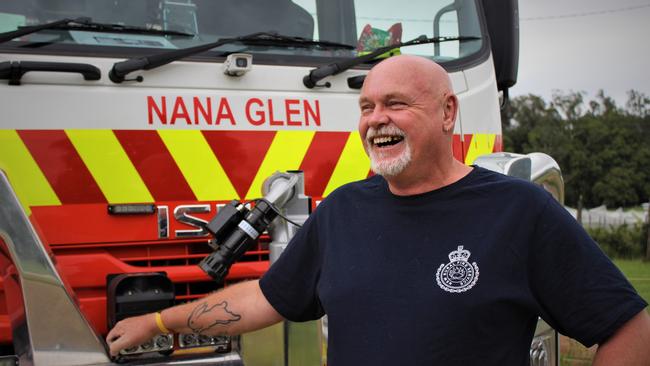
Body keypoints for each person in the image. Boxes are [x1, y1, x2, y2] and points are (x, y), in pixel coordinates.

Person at [106, 55, 650, 365]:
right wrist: (157, 321)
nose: (375, 120)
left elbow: (630, 327)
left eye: (395, 104)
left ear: (447, 112)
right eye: (366, 107)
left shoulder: (518, 211)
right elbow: (265, 299)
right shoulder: (343, 211)